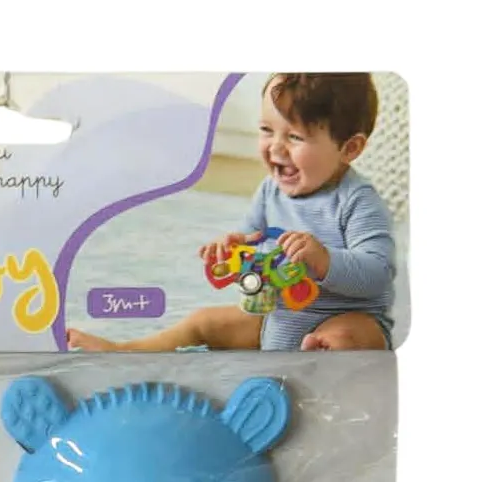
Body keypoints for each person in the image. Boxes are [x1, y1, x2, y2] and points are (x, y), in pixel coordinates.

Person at [67, 73, 396, 352]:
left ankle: (321, 361)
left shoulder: (357, 201)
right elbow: (251, 241)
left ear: (349, 148)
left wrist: (325, 260)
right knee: (202, 322)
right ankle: (129, 351)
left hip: (342, 315)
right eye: (266, 130)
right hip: (277, 315)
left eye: (295, 137)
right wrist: (231, 251)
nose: (275, 147)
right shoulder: (270, 191)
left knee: (344, 337)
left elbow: (378, 272)